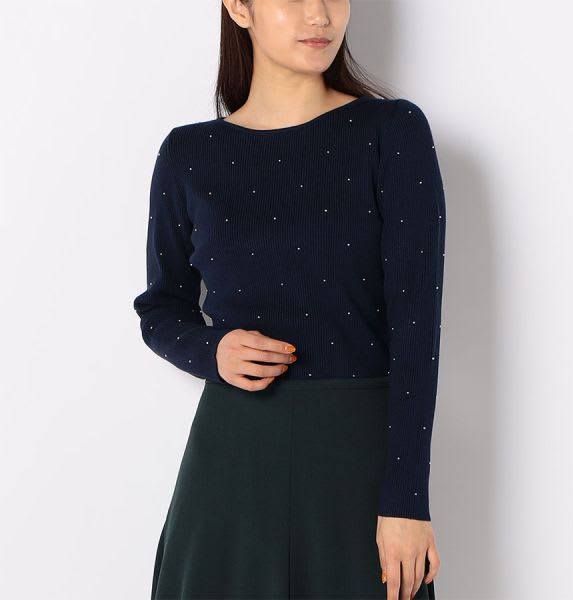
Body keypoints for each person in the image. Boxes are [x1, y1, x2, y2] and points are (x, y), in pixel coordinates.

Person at [132, 1, 446, 598]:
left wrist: (407, 501)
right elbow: (161, 306)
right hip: (232, 460)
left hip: (357, 462)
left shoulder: (392, 132)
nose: (319, 14)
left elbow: (417, 329)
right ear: (239, 7)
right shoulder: (188, 154)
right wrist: (211, 350)